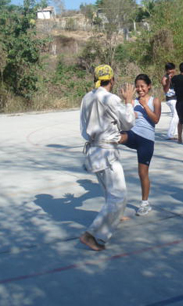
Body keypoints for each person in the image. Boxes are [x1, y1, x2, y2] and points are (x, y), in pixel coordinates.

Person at [79, 65, 136, 251]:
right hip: (106, 152)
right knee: (118, 196)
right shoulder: (111, 99)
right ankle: (92, 234)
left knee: (108, 191)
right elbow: (128, 122)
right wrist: (129, 101)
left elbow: (83, 127)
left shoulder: (87, 97)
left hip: (93, 150)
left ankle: (115, 216)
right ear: (112, 80)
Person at [120, 74, 161, 216]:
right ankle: (98, 155)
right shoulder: (133, 101)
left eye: (142, 86)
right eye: (137, 86)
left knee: (142, 173)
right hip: (133, 135)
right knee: (117, 137)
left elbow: (156, 120)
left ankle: (145, 203)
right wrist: (126, 101)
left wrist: (144, 106)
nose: (139, 89)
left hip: (147, 140)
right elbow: (126, 115)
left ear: (149, 86)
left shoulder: (155, 101)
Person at [161, 62, 179, 140]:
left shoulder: (176, 77)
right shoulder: (165, 78)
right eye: (169, 70)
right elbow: (165, 89)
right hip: (171, 99)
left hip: (177, 98)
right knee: (176, 116)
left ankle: (175, 133)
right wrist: (169, 79)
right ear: (166, 70)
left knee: (176, 115)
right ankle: (170, 134)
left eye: (172, 69)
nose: (171, 71)